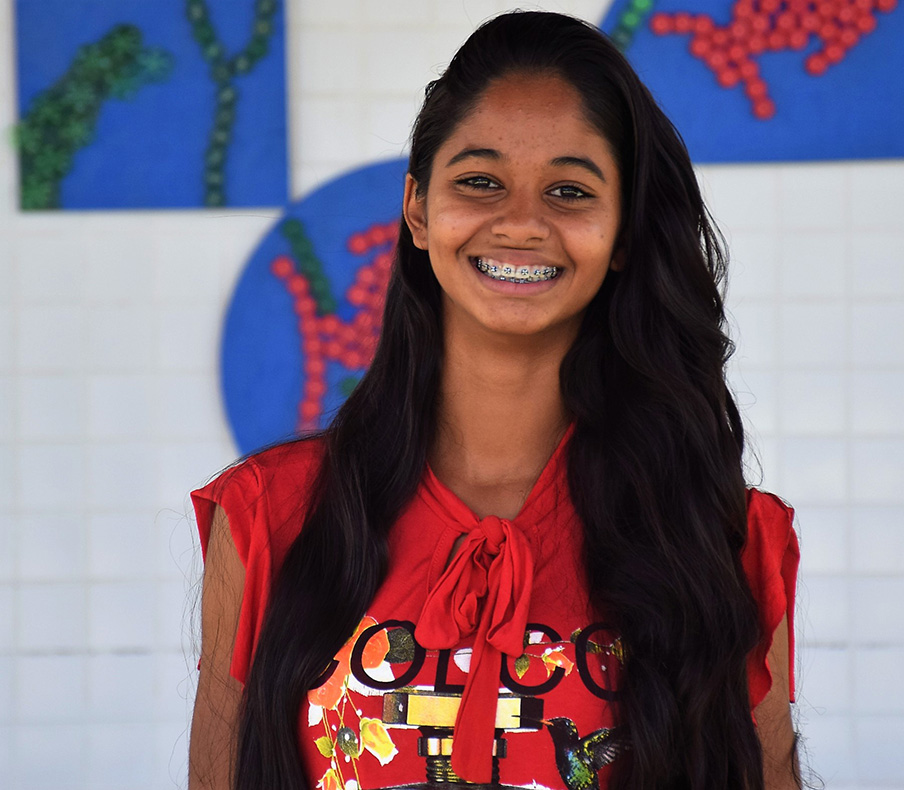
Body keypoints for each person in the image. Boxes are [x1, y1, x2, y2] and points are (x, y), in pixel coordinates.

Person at [189, 11, 801, 790]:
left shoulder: (721, 538)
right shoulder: (270, 515)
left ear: (621, 234)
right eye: (479, 181)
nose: (520, 223)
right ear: (417, 208)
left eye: (569, 191)